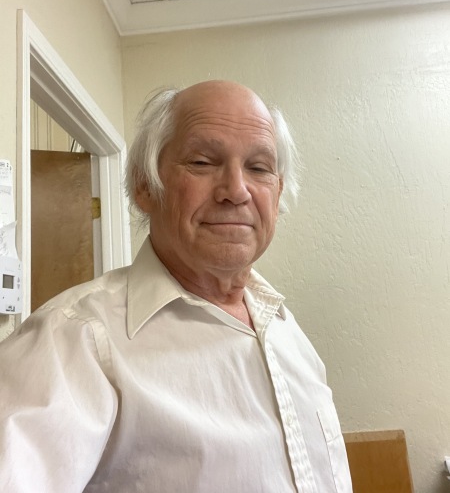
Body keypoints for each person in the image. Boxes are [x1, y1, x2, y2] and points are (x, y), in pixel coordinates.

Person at [0, 80, 352, 492]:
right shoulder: (75, 342)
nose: (236, 190)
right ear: (144, 186)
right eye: (202, 162)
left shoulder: (289, 334)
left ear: (277, 194)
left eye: (258, 168)